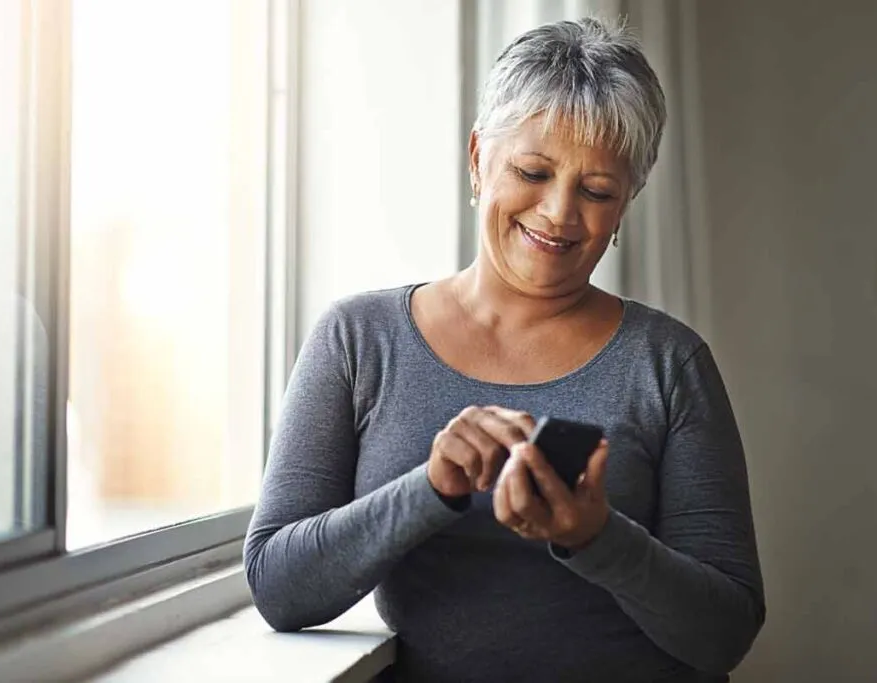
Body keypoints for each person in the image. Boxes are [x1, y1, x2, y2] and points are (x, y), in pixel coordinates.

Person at [244, 17, 764, 683]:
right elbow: (278, 587)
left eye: (597, 190)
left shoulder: (669, 363)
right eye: (533, 171)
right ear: (476, 158)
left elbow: (725, 633)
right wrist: (432, 489)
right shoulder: (357, 340)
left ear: (626, 203)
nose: (558, 212)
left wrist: (595, 536)